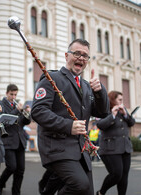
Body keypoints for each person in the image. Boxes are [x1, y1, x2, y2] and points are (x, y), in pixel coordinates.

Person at [31, 39, 110, 195]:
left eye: (85, 56)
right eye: (77, 53)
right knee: (80, 186)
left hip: (81, 151)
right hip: (57, 148)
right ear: (67, 56)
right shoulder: (51, 78)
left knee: (87, 192)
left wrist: (100, 92)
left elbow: (102, 112)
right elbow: (38, 111)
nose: (81, 58)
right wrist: (68, 126)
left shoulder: (87, 86)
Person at [96, 91, 135, 195]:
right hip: (110, 149)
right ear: (112, 100)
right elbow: (100, 125)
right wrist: (112, 115)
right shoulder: (104, 110)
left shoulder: (123, 110)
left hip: (125, 147)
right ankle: (101, 192)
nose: (122, 102)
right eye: (120, 100)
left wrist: (125, 114)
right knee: (116, 174)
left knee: (124, 176)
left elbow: (132, 123)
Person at [0, 84, 31, 195]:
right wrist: (17, 110)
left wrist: (27, 114)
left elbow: (25, 122)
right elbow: (4, 120)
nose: (13, 97)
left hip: (20, 142)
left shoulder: (18, 105)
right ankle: (0, 185)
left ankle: (16, 192)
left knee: (20, 170)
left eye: (15, 94)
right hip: (8, 141)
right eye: (11, 94)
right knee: (11, 167)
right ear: (7, 93)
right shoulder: (1, 104)